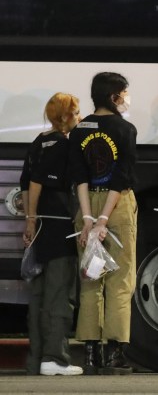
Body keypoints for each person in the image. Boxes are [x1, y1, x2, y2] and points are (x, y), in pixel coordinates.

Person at [69, 72, 138, 375]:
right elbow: (121, 175)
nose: (126, 98)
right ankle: (115, 353)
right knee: (120, 279)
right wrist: (103, 220)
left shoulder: (78, 129)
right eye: (124, 93)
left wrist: (87, 220)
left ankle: (90, 352)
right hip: (117, 205)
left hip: (87, 204)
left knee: (90, 278)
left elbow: (79, 176)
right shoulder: (125, 129)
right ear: (114, 97)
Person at [20, 93, 82, 376]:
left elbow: (25, 184)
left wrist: (30, 221)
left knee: (39, 295)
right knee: (60, 295)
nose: (79, 118)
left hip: (41, 227)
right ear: (66, 116)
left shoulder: (37, 142)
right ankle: (55, 358)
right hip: (59, 226)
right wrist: (32, 219)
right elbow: (36, 182)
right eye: (77, 112)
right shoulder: (64, 144)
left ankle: (36, 359)